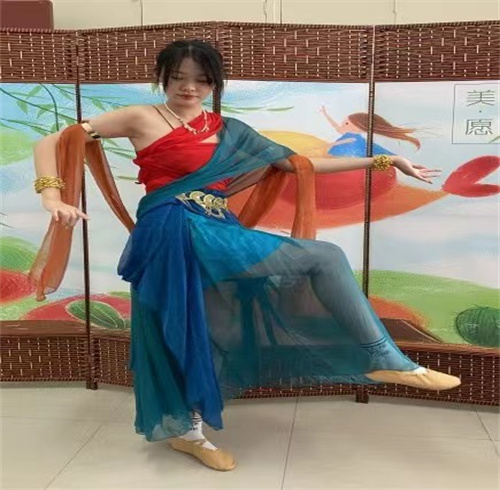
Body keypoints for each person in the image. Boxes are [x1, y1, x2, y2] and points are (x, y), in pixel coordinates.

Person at [32, 39, 461, 472]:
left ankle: (191, 431)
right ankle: (382, 359)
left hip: (217, 227)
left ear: (214, 84)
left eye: (201, 80)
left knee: (210, 324)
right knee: (314, 262)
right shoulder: (141, 117)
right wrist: (52, 198)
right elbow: (51, 142)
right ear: (163, 77)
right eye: (178, 77)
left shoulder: (228, 129)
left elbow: (299, 164)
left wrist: (385, 163)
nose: (189, 87)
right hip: (171, 227)